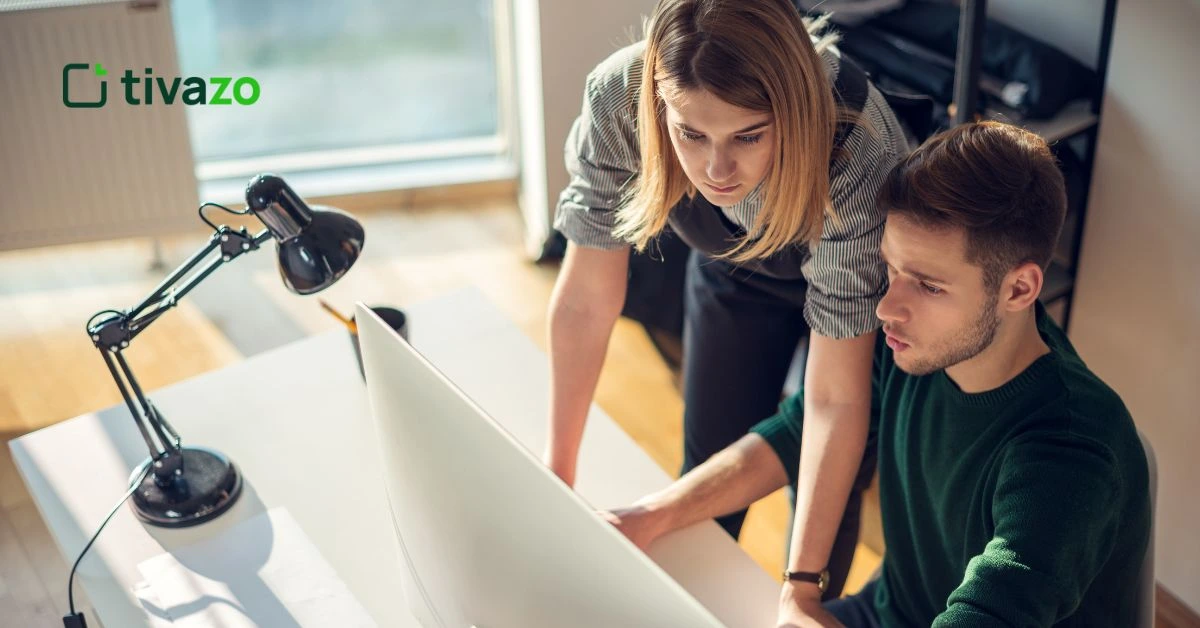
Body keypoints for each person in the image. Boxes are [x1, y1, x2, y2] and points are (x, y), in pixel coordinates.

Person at [602, 121, 1151, 627]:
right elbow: (798, 432)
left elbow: (990, 614)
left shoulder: (1070, 454)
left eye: (928, 285)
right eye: (891, 268)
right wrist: (648, 515)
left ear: (1019, 289)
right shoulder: (915, 346)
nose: (887, 307)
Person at [546, 0, 909, 602]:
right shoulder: (619, 97)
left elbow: (832, 401)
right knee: (707, 468)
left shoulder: (857, 154)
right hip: (732, 271)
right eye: (691, 134)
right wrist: (557, 473)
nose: (717, 169)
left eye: (748, 135)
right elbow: (585, 300)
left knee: (828, 485)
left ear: (790, 111)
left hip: (864, 288)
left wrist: (799, 593)